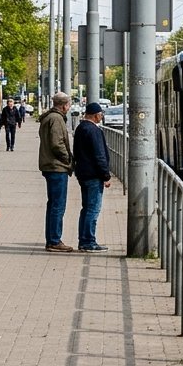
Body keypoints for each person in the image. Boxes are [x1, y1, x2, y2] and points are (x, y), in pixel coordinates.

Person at [38, 93, 75, 252]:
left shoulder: (49, 117)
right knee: (58, 205)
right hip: (57, 166)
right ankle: (54, 240)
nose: (70, 107)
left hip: (50, 166)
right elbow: (56, 143)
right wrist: (68, 159)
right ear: (64, 105)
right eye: (69, 104)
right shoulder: (57, 119)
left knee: (53, 204)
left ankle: (52, 239)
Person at [73, 102, 112, 253]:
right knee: (93, 209)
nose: (101, 116)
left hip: (83, 173)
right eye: (101, 114)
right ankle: (89, 241)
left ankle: (83, 240)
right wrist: (106, 175)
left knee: (86, 208)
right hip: (94, 175)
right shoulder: (94, 131)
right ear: (96, 115)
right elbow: (99, 155)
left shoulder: (81, 128)